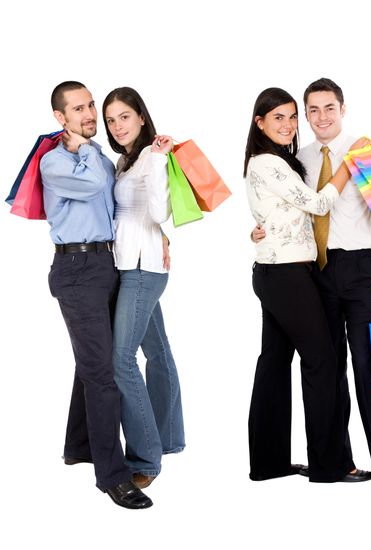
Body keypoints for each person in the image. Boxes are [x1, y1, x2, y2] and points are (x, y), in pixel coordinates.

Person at [252, 78, 371, 485]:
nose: (320, 118)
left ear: (343, 109)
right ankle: (338, 460)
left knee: (368, 368)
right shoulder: (296, 158)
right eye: (312, 110)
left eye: (328, 108)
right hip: (314, 272)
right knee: (326, 370)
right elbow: (287, 208)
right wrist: (259, 229)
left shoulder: (365, 151)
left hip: (361, 270)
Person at [40, 81, 152, 508]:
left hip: (108, 263)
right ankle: (113, 475)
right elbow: (92, 185)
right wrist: (85, 149)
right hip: (76, 269)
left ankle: (79, 444)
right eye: (79, 109)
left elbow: (118, 196)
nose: (89, 114)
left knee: (91, 363)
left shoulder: (98, 156)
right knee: (102, 373)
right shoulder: (54, 162)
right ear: (60, 118)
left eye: (91, 105)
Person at [102, 87, 185, 490]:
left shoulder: (151, 156)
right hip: (132, 264)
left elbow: (157, 210)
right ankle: (168, 439)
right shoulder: (125, 160)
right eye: (111, 119)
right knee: (157, 352)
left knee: (122, 362)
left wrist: (159, 160)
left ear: (140, 116)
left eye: (124, 116)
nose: (117, 126)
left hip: (141, 270)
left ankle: (146, 459)